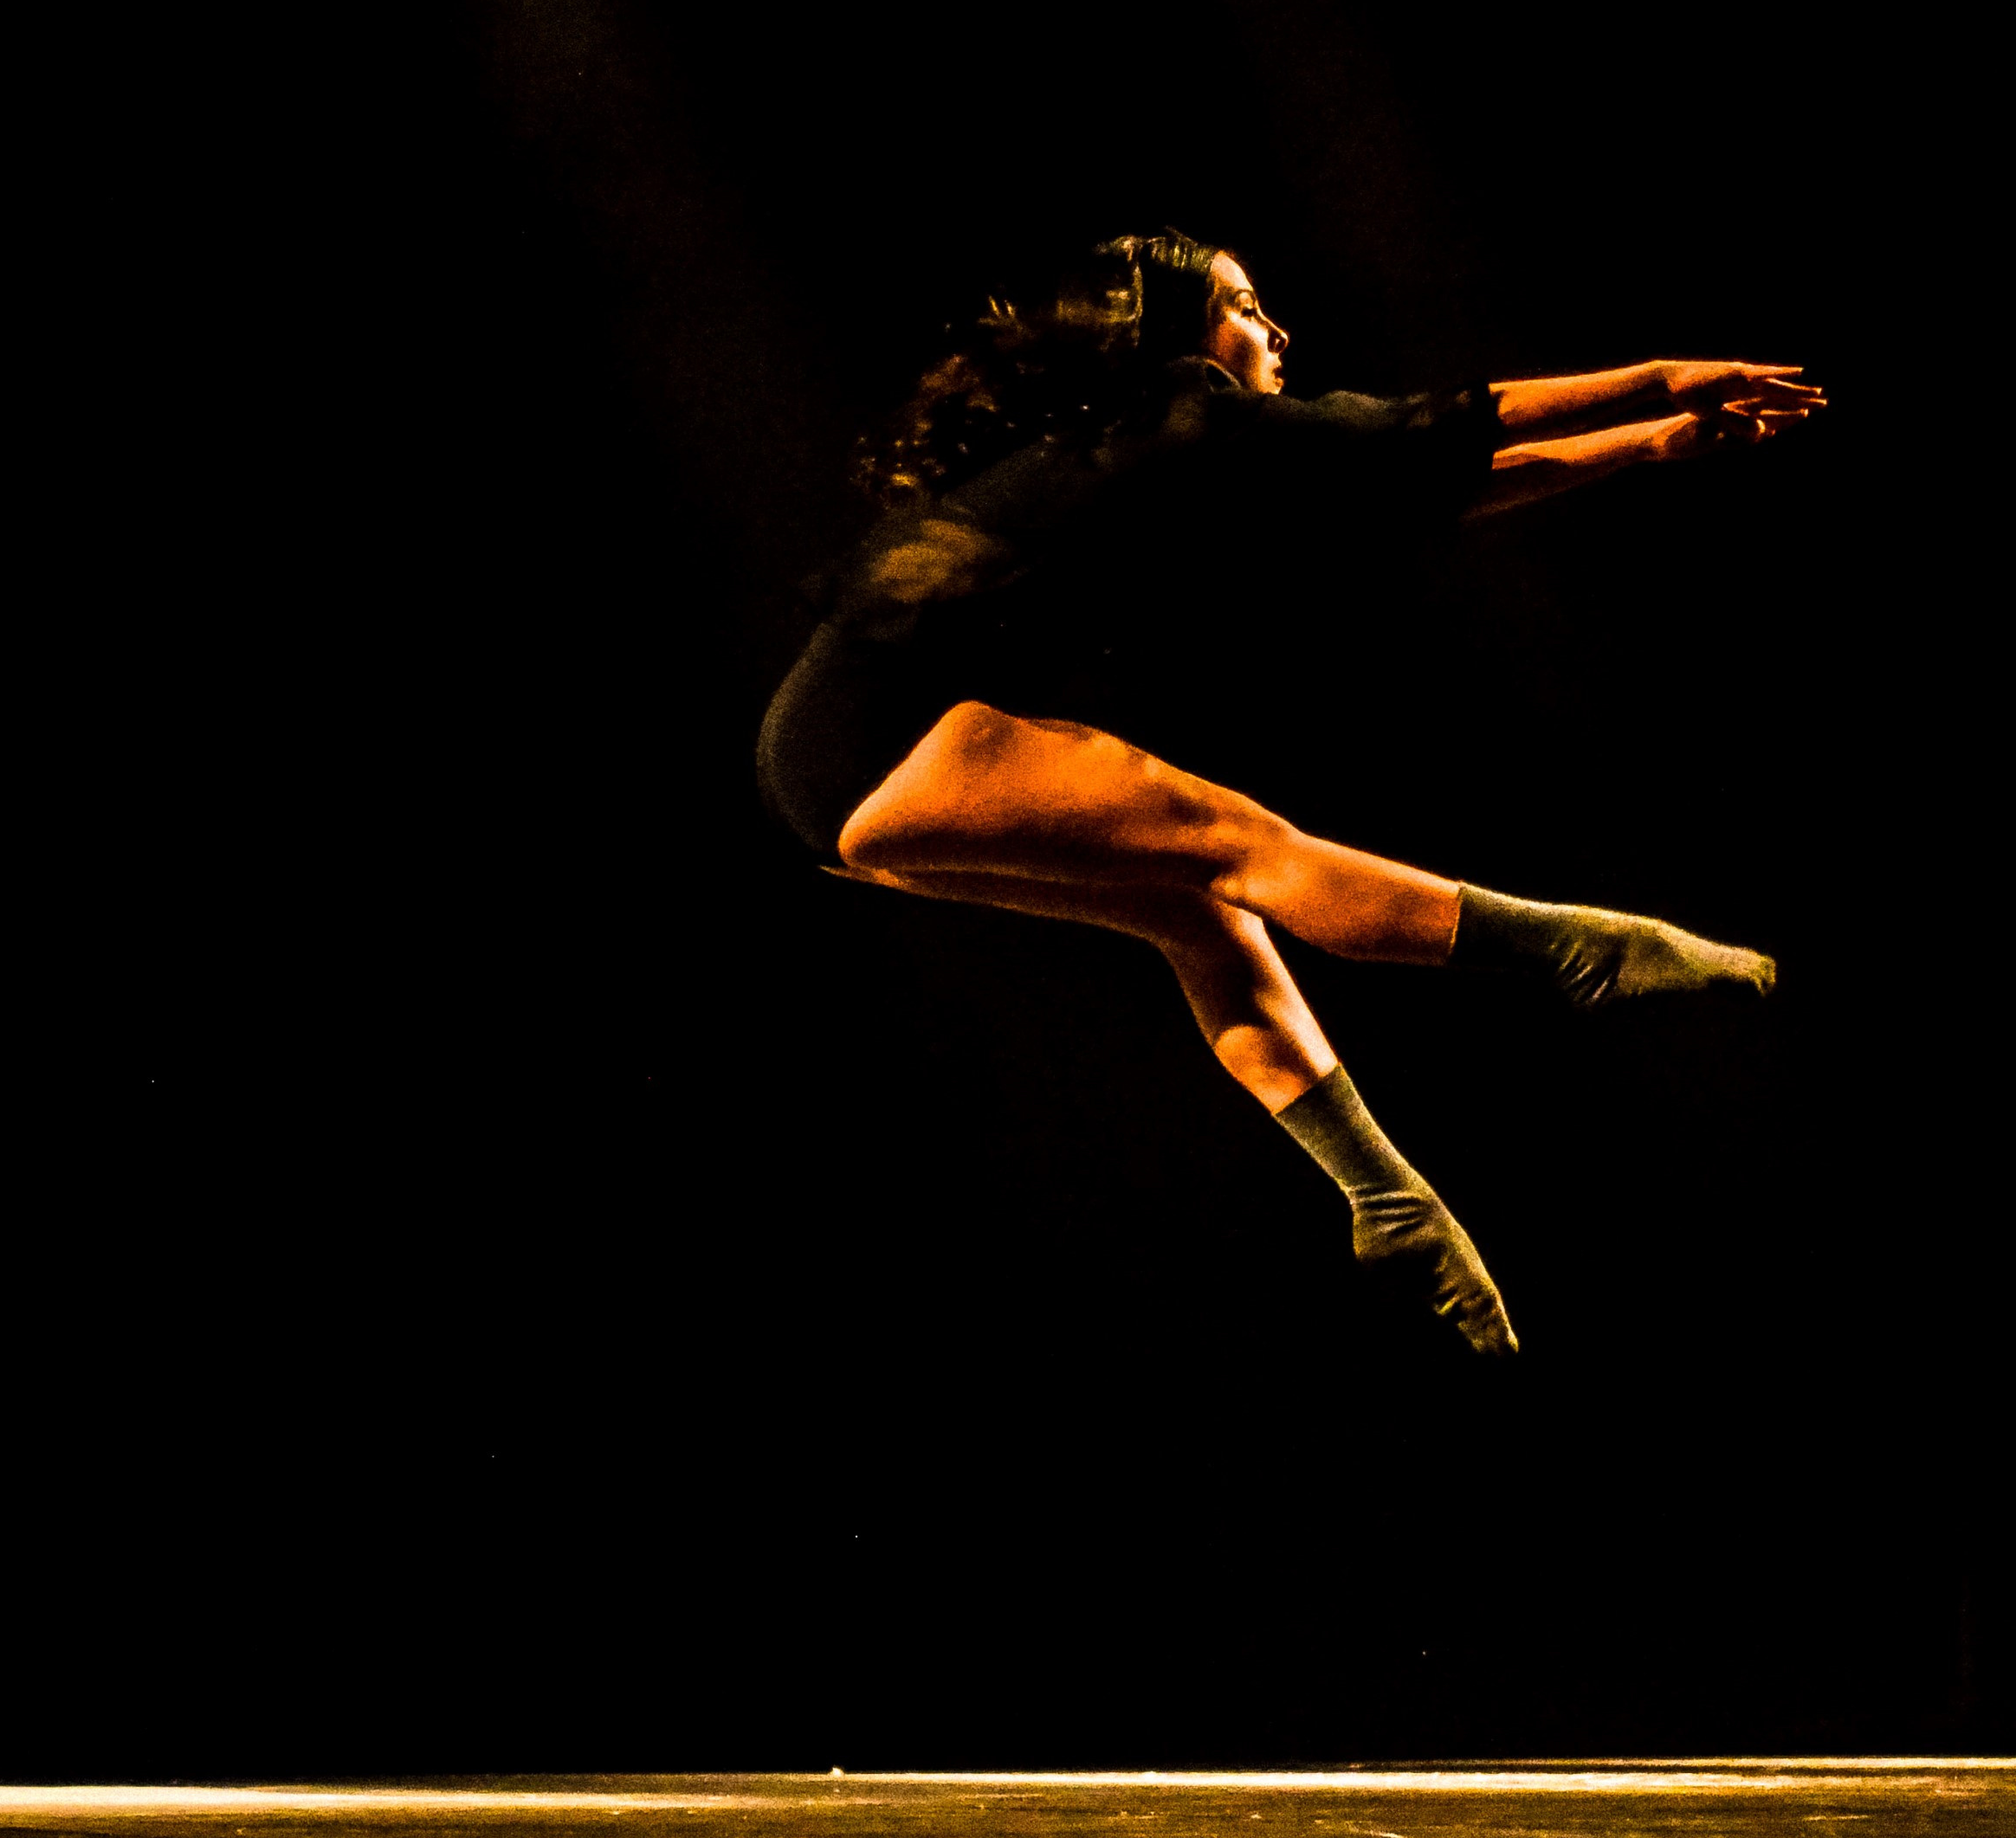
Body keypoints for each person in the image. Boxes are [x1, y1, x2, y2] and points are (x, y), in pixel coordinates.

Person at [758, 231, 1820, 1356]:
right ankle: (1582, 950)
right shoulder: (1184, 413)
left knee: (1201, 914)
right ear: (1179, 334)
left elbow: (1421, 490)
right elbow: (1434, 426)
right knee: (1247, 846)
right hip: (872, 742)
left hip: (831, 781)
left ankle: (1386, 1197)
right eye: (1244, 306)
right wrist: (1662, 379)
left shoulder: (1161, 451)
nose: (1274, 331)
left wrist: (1646, 442)